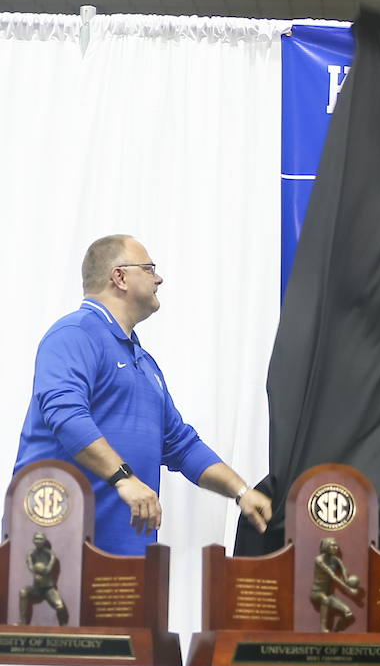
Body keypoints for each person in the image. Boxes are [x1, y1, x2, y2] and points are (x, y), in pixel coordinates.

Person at [14, 235, 272, 555]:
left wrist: (241, 491)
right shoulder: (74, 333)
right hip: (56, 551)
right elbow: (64, 414)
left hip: (125, 558)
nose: (159, 278)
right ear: (119, 277)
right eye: (150, 269)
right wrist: (124, 478)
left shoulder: (145, 363)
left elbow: (180, 443)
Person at [20, 533, 68, 626]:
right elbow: (30, 566)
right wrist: (35, 573)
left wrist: (43, 573)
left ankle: (63, 626)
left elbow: (49, 568)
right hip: (37, 588)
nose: (38, 541)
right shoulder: (31, 554)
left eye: (40, 539)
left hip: (48, 589)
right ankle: (22, 620)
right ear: (33, 540)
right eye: (36, 539)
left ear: (44, 541)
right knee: (23, 592)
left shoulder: (50, 554)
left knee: (59, 605)